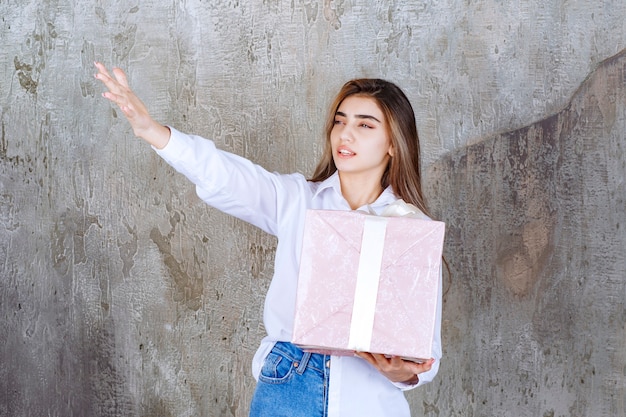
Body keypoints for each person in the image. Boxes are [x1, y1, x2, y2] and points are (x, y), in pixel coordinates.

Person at [94, 62, 442, 417]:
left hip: (368, 400)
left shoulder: (413, 230)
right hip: (288, 385)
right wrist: (152, 130)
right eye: (340, 121)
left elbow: (427, 351)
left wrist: (402, 373)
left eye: (364, 125)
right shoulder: (296, 199)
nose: (345, 135)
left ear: (394, 145)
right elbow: (224, 174)